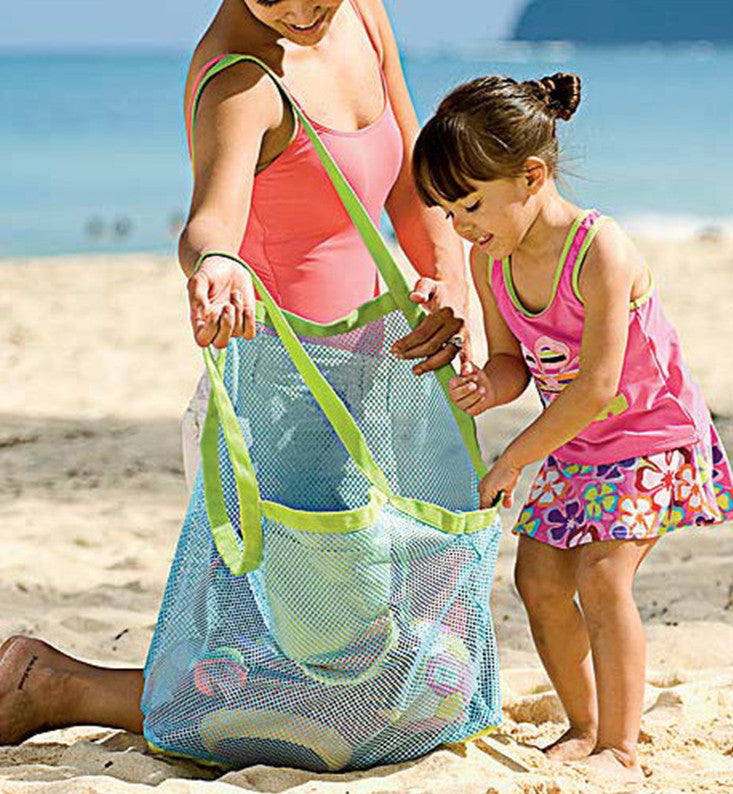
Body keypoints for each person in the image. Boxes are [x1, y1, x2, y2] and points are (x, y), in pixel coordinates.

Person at [0, 0, 468, 746]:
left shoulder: (363, 16)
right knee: (334, 694)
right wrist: (216, 263)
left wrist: (448, 278)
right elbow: (210, 224)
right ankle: (57, 686)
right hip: (279, 416)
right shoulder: (240, 81)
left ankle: (59, 683)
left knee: (399, 674)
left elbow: (409, 181)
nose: (302, 8)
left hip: (375, 392)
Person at [412, 72, 733, 783]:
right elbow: (513, 363)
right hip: (576, 443)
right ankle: (583, 724)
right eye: (446, 210)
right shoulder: (489, 258)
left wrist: (512, 461)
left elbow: (595, 387)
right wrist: (486, 387)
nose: (460, 224)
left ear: (531, 175)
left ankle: (621, 746)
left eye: (470, 203)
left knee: (602, 575)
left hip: (650, 437)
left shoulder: (600, 248)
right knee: (537, 580)